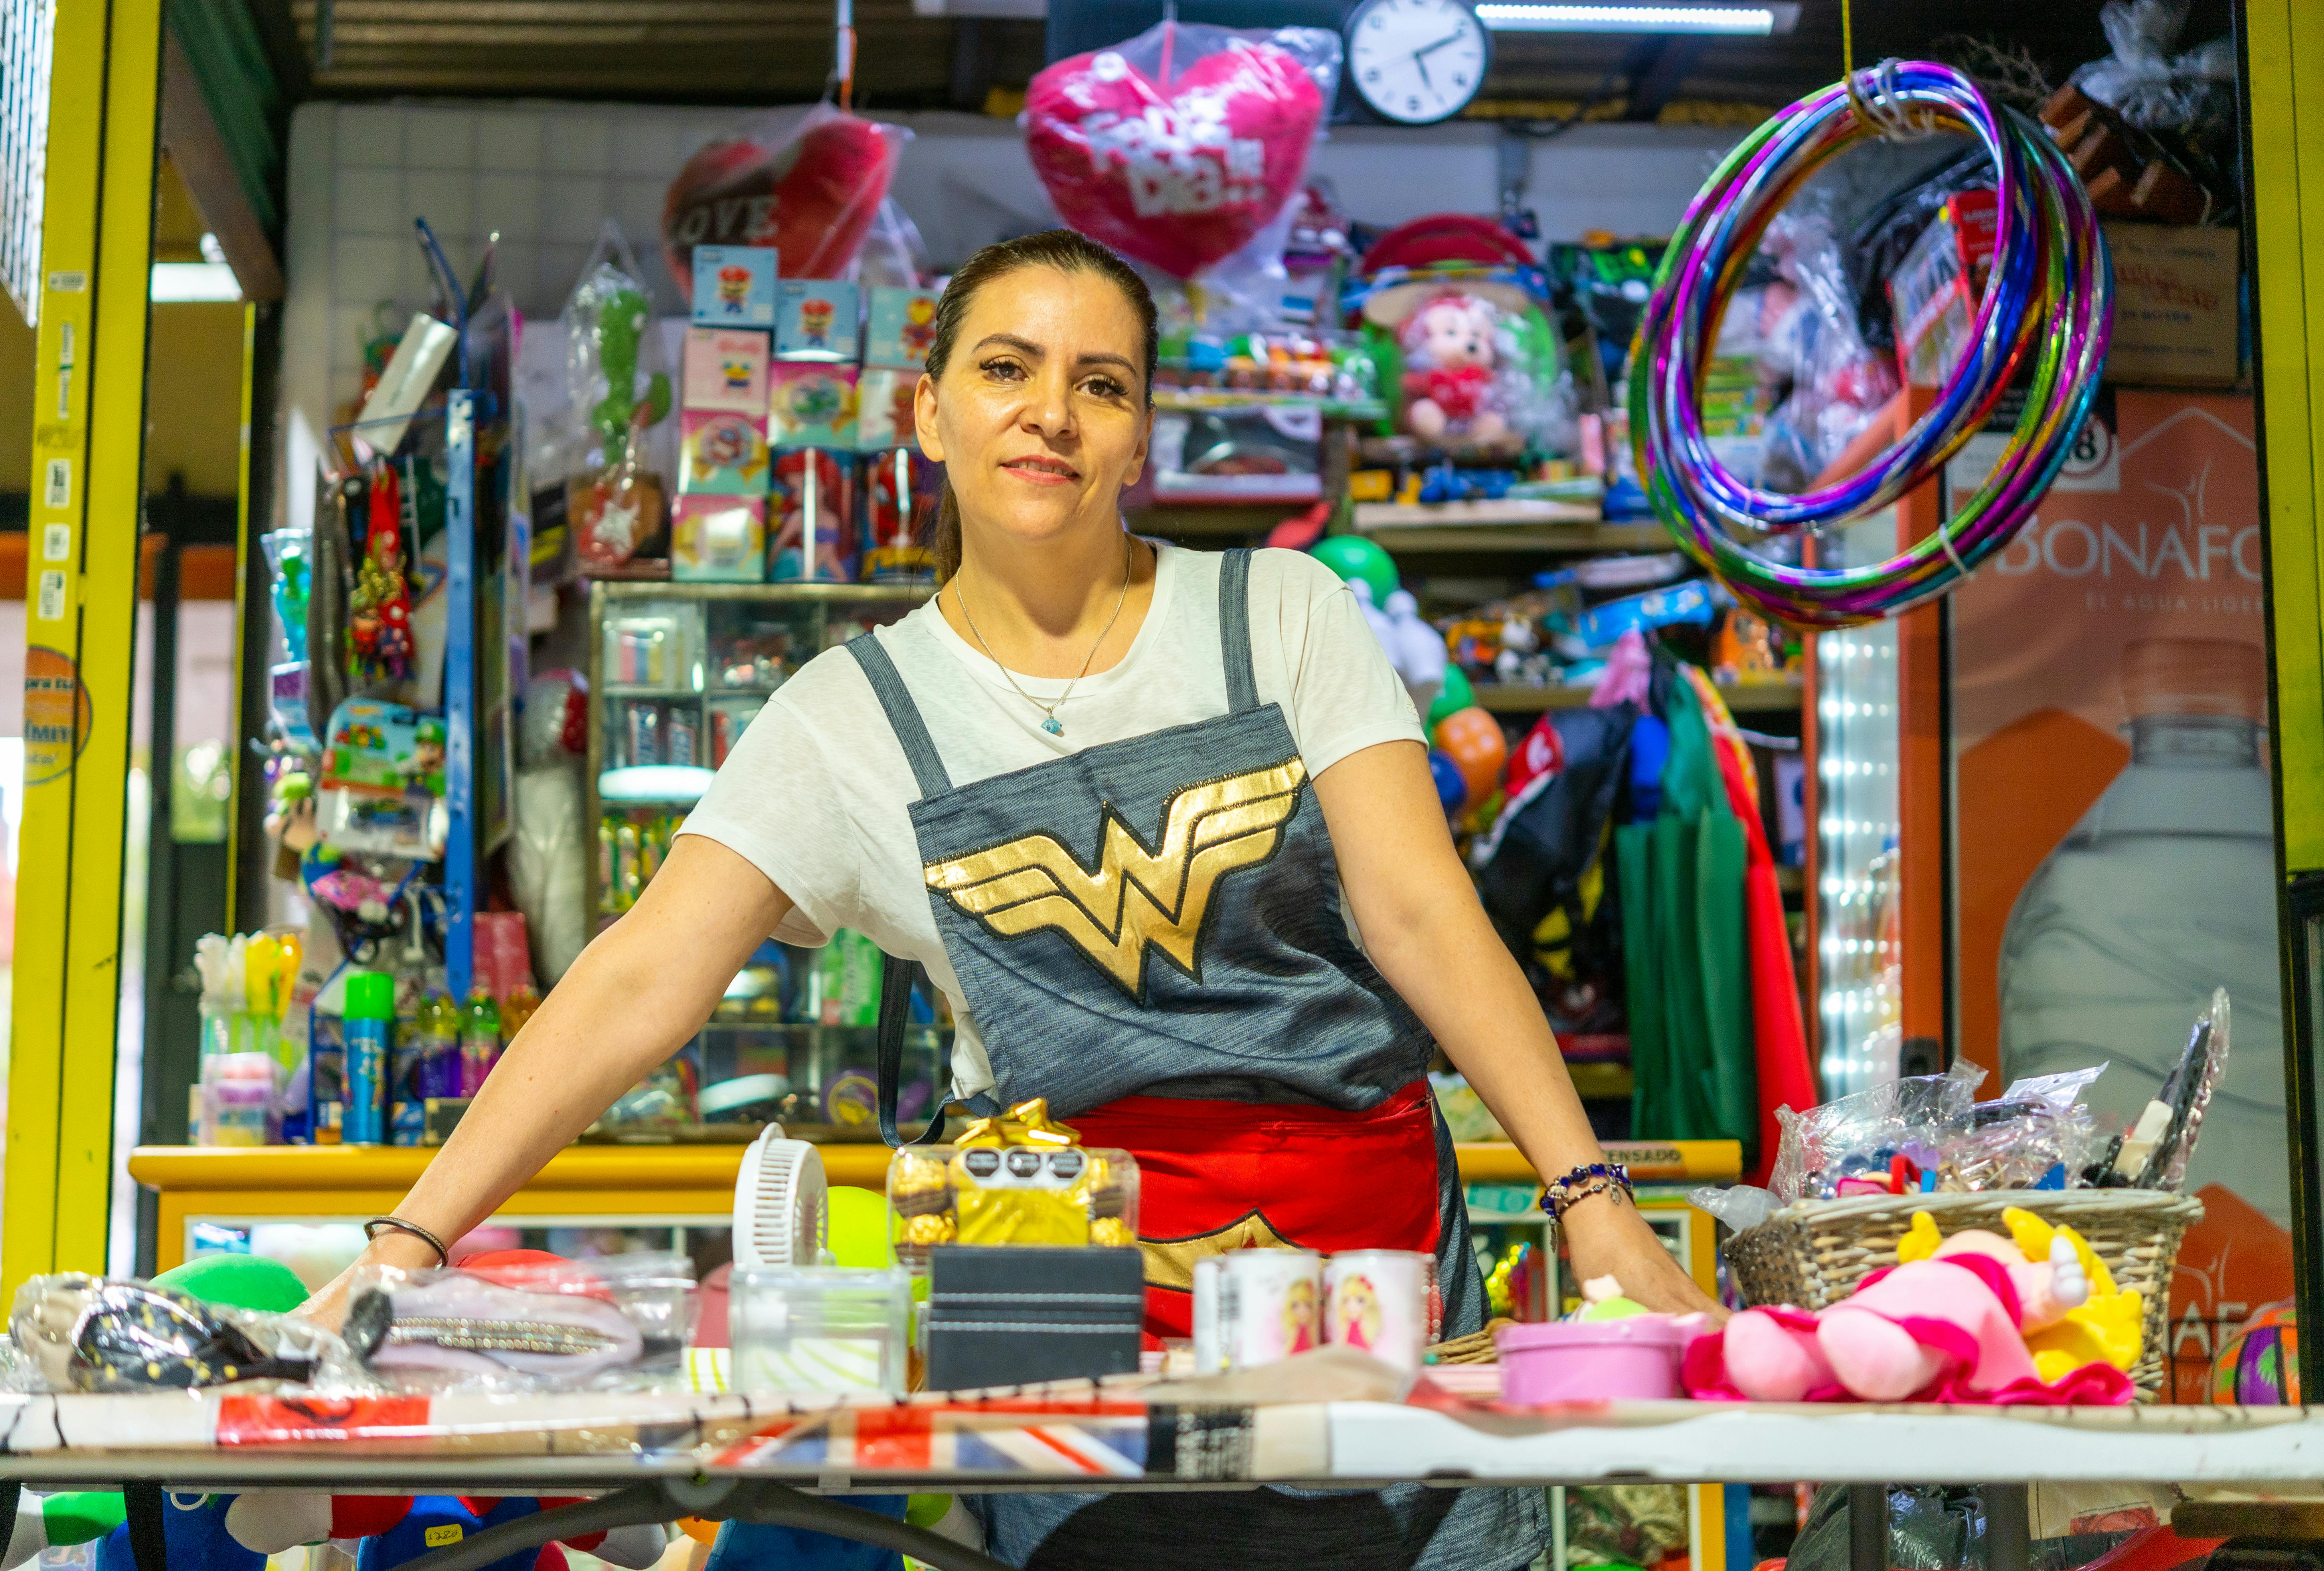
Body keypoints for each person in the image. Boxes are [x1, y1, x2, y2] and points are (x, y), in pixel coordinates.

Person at [307, 228, 1717, 1569]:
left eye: (1099, 383)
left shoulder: (1279, 616)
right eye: (1006, 368)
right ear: (927, 410)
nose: (1052, 412)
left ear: (1142, 435)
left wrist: (1588, 1193)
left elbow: (1423, 917)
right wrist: (405, 1248)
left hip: (1379, 1316)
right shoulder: (847, 720)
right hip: (1073, 1358)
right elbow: (635, 982)